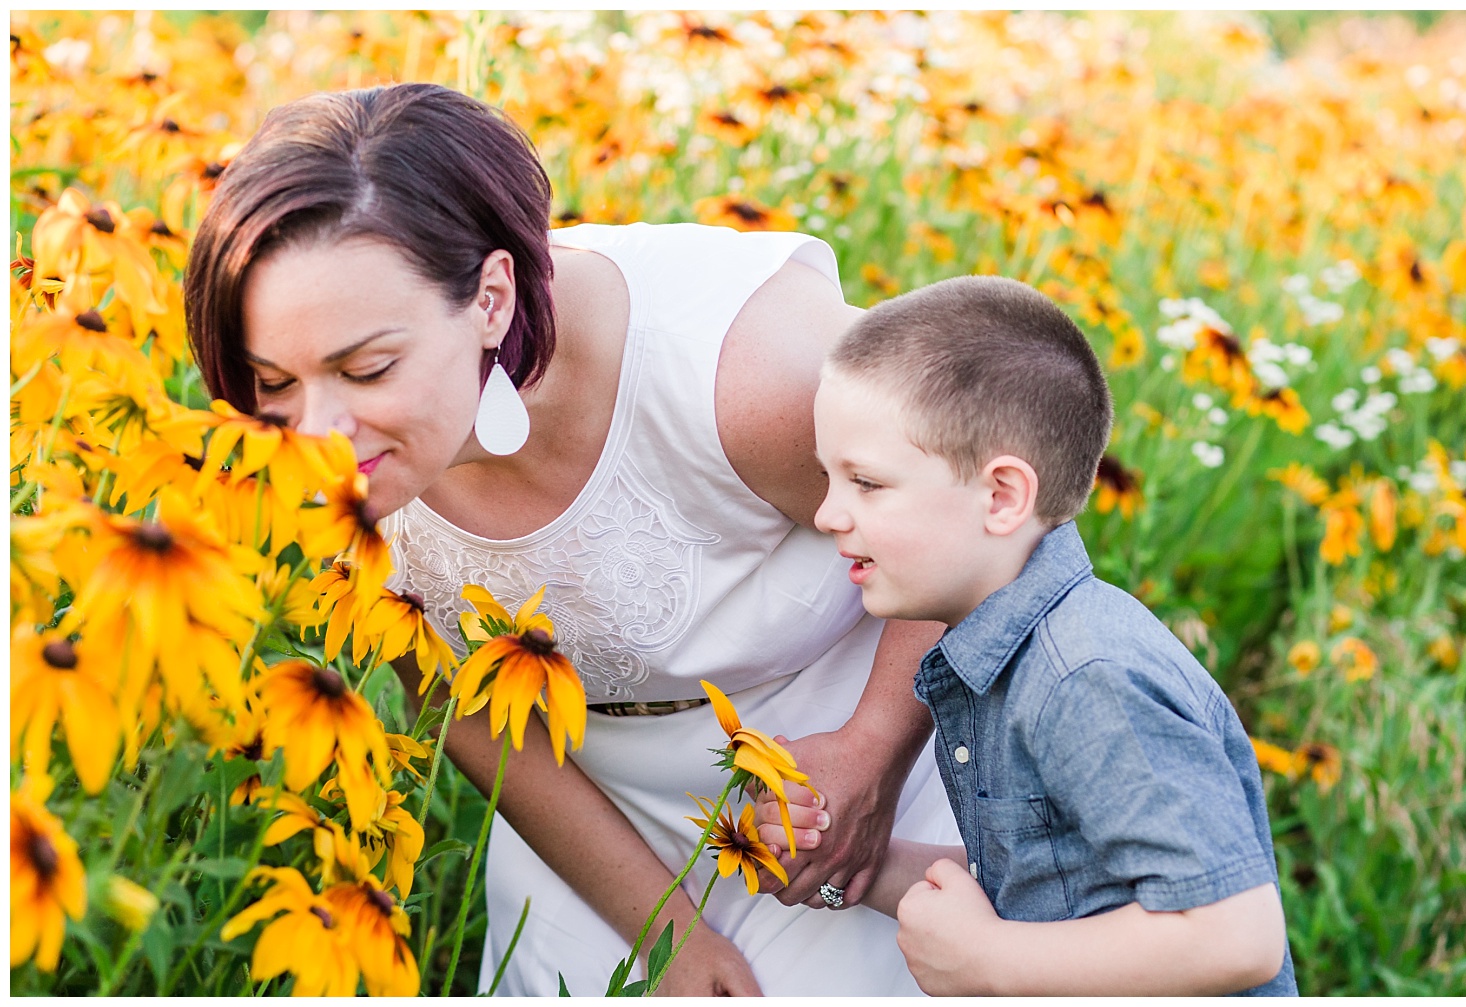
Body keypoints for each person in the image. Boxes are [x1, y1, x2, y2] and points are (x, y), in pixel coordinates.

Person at [183, 82, 961, 996]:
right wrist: (665, 935)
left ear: (491, 297)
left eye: (369, 368)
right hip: (584, 819)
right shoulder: (295, 453)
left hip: (848, 780)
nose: (317, 435)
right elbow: (462, 709)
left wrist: (873, 752)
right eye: (273, 382)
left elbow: (979, 517)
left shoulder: (751, 377)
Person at [756, 276, 1298, 995]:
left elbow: (1237, 933)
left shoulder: (1086, 676)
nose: (827, 514)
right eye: (829, 478)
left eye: (867, 483)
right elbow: (1047, 881)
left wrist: (990, 963)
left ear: (1003, 496)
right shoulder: (994, 654)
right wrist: (845, 856)